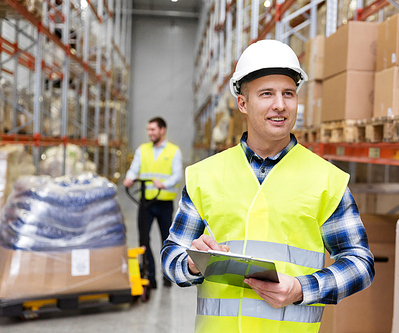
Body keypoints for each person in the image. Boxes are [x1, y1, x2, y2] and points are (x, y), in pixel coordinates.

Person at [161, 40, 374, 332]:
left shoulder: (326, 180)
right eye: (266, 94)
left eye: (289, 93)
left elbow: (360, 263)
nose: (280, 104)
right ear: (243, 103)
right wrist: (192, 263)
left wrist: (302, 288)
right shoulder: (205, 175)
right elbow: (172, 255)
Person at [124, 116, 182, 288]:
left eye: (153, 130)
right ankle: (150, 276)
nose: (150, 133)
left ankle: (167, 275)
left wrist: (165, 184)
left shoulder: (173, 151)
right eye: (148, 130)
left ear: (162, 130)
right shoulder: (142, 150)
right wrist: (129, 178)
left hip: (164, 203)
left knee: (166, 240)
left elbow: (177, 174)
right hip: (145, 203)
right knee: (144, 239)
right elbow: (134, 168)